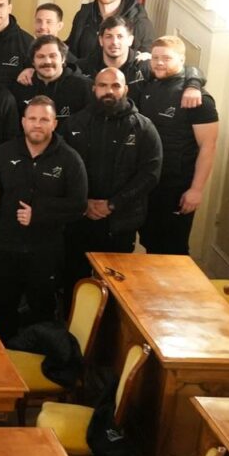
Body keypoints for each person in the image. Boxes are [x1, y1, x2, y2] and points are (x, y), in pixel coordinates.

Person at [0, 96, 88, 341]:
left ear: (54, 123)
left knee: (42, 312)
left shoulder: (69, 159)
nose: (37, 124)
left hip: (45, 252)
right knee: (1, 310)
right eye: (32, 118)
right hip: (4, 248)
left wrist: (40, 213)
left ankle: (39, 368)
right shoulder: (4, 152)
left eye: (44, 119)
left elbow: (79, 206)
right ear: (23, 122)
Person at [64, 68, 161, 294]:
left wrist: (112, 204)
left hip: (120, 223)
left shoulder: (144, 127)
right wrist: (84, 203)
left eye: (116, 86)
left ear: (125, 89)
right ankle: (72, 328)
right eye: (103, 85)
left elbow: (150, 174)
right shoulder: (74, 124)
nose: (109, 91)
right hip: (79, 220)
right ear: (94, 89)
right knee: (74, 282)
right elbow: (64, 170)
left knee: (116, 287)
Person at [138, 37, 220, 255]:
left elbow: (208, 147)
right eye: (155, 58)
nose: (159, 63)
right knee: (151, 243)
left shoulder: (197, 98)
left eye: (166, 58)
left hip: (177, 188)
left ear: (181, 59)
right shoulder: (149, 84)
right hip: (150, 183)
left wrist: (196, 190)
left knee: (172, 249)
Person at [66, 0, 155, 62]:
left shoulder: (139, 21)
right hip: (82, 75)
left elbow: (144, 62)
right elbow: (71, 49)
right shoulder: (84, 14)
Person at [14, 35, 92, 125]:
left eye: (52, 56)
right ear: (33, 62)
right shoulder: (21, 87)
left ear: (63, 59)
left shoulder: (85, 87)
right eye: (40, 56)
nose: (47, 61)